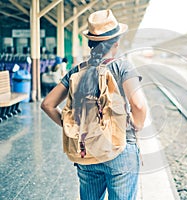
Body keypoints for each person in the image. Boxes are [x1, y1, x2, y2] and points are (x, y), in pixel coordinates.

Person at [41, 9, 147, 200]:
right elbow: (139, 106)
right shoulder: (122, 67)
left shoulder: (77, 70)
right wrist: (136, 126)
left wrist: (71, 127)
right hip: (120, 150)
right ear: (116, 43)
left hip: (86, 149)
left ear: (90, 44)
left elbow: (47, 104)